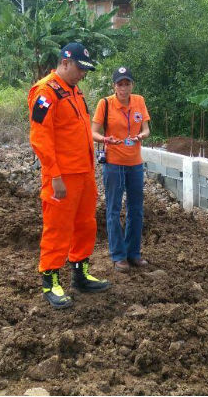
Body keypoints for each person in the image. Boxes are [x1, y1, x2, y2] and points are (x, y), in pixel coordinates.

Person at [28, 42, 110, 310]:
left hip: (84, 172)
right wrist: (55, 176)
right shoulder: (45, 92)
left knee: (85, 224)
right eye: (79, 68)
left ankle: (80, 273)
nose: (82, 74)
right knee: (58, 228)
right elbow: (41, 138)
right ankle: (51, 281)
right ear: (64, 63)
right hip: (62, 176)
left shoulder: (74, 90)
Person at [91, 67, 151, 271]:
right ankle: (118, 255)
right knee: (114, 209)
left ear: (132, 85)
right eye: (120, 84)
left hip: (135, 163)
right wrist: (106, 139)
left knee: (136, 210)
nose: (124, 88)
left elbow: (146, 129)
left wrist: (141, 136)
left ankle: (133, 253)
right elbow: (94, 133)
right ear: (114, 86)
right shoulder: (105, 104)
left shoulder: (139, 101)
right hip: (114, 163)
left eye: (127, 84)